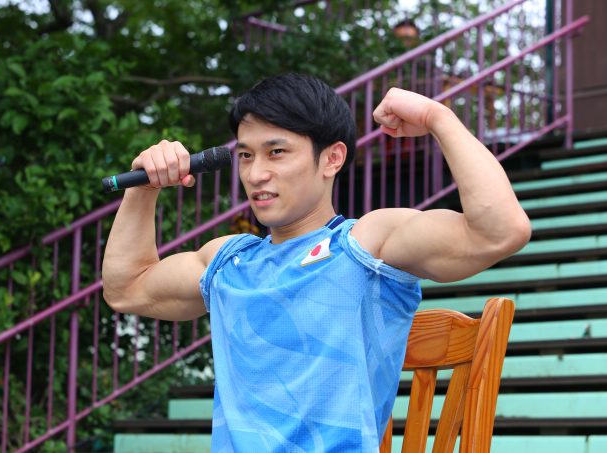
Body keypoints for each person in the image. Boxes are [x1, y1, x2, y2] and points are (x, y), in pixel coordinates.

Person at [102, 73, 531, 452]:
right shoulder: (229, 261)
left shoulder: (365, 246)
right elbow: (127, 289)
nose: (255, 174)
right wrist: (143, 188)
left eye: (276, 152)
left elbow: (500, 231)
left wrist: (439, 118)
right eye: (247, 155)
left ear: (332, 158)